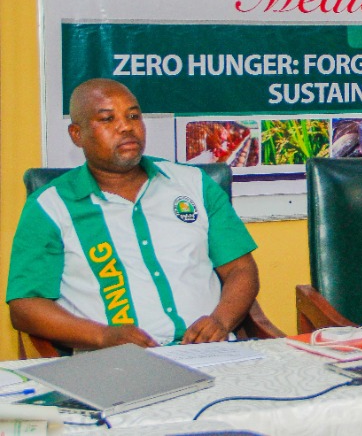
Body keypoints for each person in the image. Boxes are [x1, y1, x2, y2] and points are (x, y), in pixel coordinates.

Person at [6, 79, 259, 350]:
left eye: (133, 116)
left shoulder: (194, 184)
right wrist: (102, 336)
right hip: (113, 364)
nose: (126, 127)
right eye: (107, 119)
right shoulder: (49, 206)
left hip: (212, 353)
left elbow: (241, 269)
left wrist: (220, 321)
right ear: (76, 134)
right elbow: (25, 306)